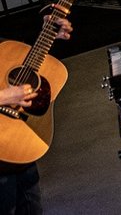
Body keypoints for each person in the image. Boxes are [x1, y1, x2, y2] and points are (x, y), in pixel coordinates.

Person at [0, 13, 72, 214]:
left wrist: (46, 35)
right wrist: (3, 97)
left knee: (31, 205)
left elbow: (9, 56)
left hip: (15, 136)